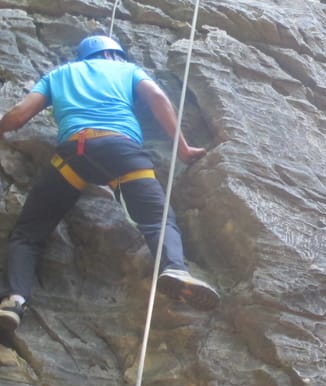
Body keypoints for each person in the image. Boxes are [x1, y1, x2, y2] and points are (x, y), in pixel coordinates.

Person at [0, 34, 218, 332]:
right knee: (158, 219)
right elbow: (157, 97)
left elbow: (19, 114)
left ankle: (14, 299)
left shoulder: (59, 74)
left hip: (72, 155)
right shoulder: (128, 71)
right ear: (115, 55)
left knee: (28, 233)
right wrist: (183, 148)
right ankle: (174, 269)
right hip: (122, 152)